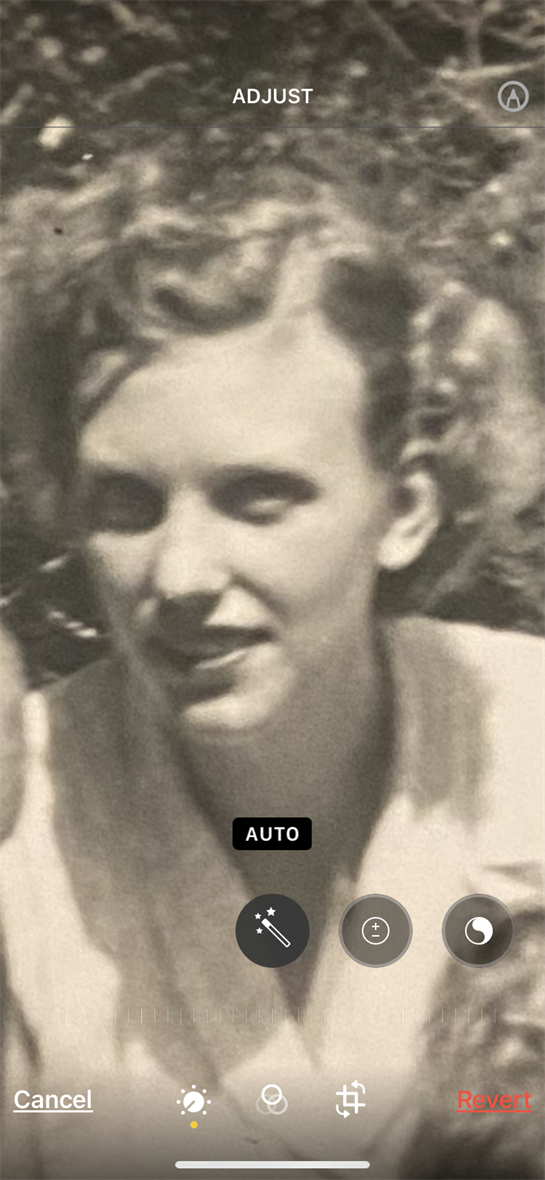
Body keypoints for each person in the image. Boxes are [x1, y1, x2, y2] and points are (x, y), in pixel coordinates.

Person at [0, 152, 543, 1180]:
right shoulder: (22, 825)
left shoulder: (530, 748)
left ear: (406, 508)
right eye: (125, 504)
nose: (180, 574)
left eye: (257, 499)